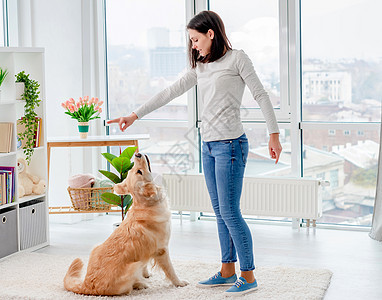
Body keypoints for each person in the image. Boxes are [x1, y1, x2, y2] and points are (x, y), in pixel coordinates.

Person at [108, 10, 282, 296]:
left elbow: (261, 94)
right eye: (191, 41)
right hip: (209, 145)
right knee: (219, 211)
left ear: (210, 34)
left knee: (230, 211)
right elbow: (170, 92)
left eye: (195, 39)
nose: (193, 45)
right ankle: (227, 270)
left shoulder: (238, 59)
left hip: (231, 146)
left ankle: (248, 275)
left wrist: (274, 135)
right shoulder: (201, 67)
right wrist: (134, 115)